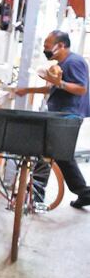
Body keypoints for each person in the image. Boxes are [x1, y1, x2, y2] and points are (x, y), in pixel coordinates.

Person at [16, 30, 90, 208]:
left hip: (68, 116)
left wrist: (59, 83)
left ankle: (37, 191)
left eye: (47, 46)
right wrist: (28, 91)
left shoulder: (74, 62)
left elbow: (81, 89)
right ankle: (81, 192)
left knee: (50, 151)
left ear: (61, 45)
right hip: (61, 115)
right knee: (57, 154)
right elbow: (55, 90)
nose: (45, 50)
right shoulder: (62, 63)